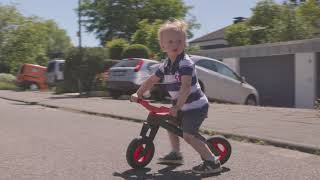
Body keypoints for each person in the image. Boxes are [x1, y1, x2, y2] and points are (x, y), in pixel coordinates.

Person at [130, 19, 221, 174]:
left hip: (195, 106)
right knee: (169, 123)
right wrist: (138, 93)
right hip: (181, 105)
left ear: (184, 43)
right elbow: (152, 79)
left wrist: (177, 107)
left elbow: (185, 87)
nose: (175, 44)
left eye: (179, 41)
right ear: (163, 45)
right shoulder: (166, 64)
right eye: (170, 41)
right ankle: (176, 154)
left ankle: (212, 162)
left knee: (188, 135)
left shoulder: (185, 63)